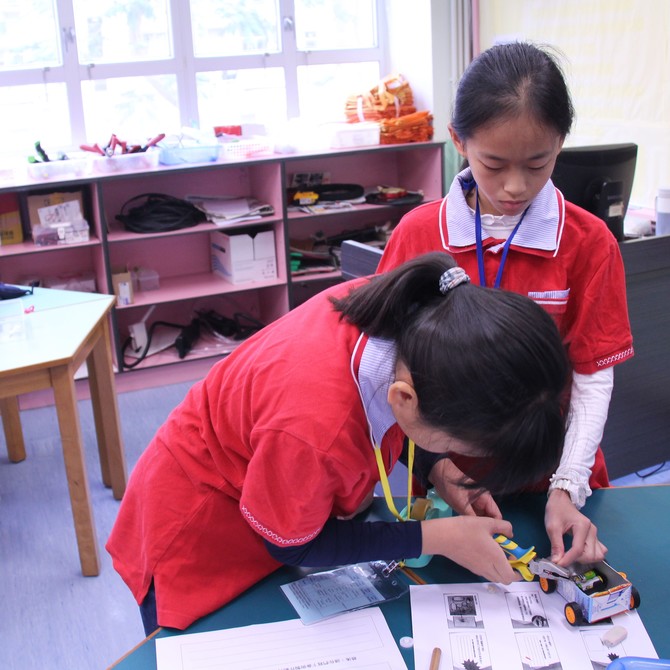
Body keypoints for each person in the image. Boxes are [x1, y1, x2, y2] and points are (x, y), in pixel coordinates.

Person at [107, 252, 571, 634]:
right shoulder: (314, 428)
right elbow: (293, 546)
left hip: (271, 473)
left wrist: (439, 468)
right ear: (405, 399)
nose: (460, 455)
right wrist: (436, 537)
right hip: (199, 522)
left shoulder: (415, 317)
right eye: (458, 443)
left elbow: (415, 413)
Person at [377, 42, 633, 568]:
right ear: (458, 141)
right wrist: (435, 464)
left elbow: (592, 375)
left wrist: (567, 487)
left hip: (553, 475)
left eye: (538, 163)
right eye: (493, 164)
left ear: (561, 143)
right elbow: (383, 364)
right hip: (453, 472)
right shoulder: (419, 233)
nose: (515, 187)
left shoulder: (588, 243)